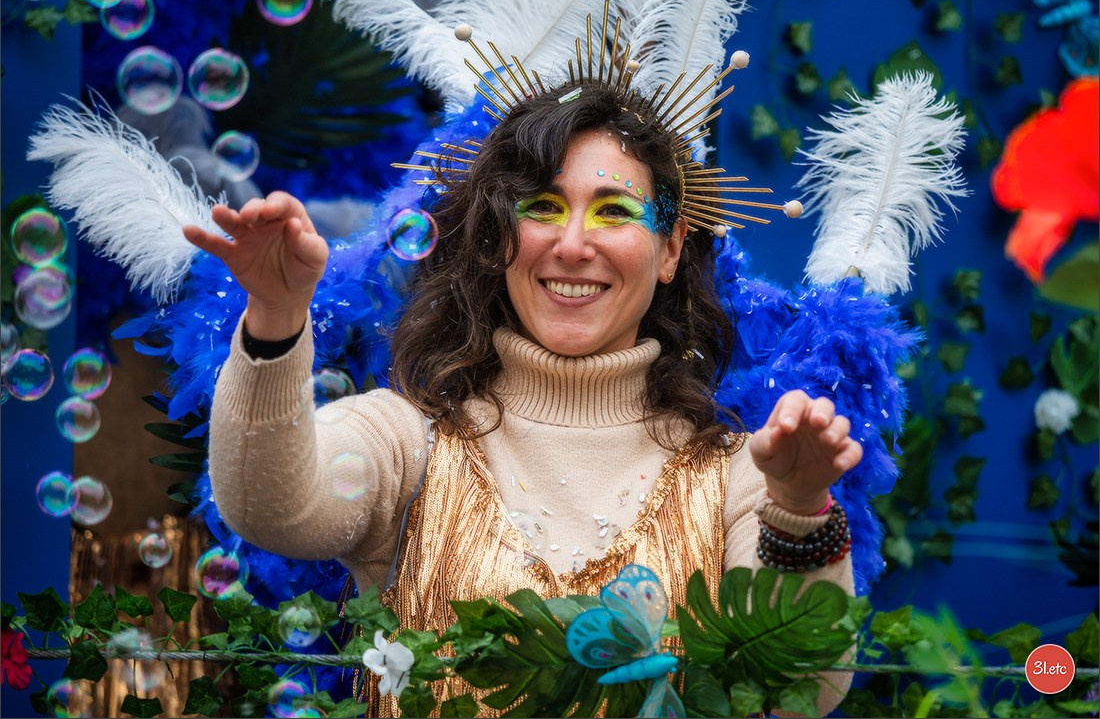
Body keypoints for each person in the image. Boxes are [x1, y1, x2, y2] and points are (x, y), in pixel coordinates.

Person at [183, 83, 863, 714]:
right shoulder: (406, 442)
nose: (572, 245)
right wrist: (275, 316)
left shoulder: (739, 475)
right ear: (500, 238)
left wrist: (798, 510)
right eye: (541, 207)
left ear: (669, 248)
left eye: (614, 211)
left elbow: (805, 683)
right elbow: (272, 507)